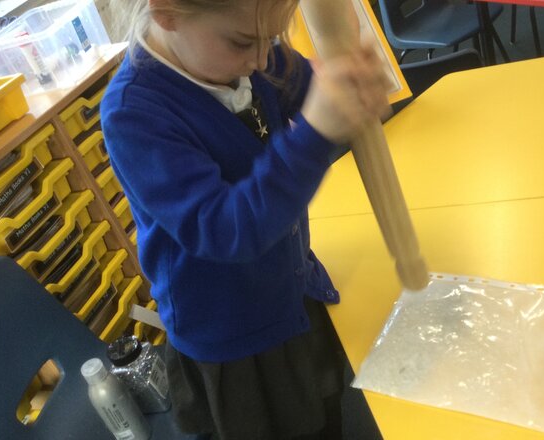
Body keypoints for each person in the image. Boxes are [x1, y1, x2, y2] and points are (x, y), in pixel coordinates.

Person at [101, 0, 390, 438]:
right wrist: (316, 132)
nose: (260, 59)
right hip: (230, 334)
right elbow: (225, 229)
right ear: (166, 13)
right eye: (242, 42)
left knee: (324, 417)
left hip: (289, 287)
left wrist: (350, 85)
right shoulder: (134, 114)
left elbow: (309, 89)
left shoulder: (250, 47)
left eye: (271, 38)